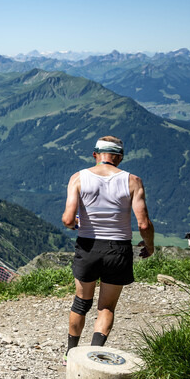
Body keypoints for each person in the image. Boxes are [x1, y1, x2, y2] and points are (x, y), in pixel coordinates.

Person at [61, 136, 154, 363]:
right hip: (118, 249)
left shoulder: (78, 178)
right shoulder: (133, 181)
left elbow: (67, 219)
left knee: (81, 303)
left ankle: (70, 354)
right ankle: (92, 358)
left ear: (95, 155)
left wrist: (75, 224)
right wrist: (149, 244)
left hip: (88, 246)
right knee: (106, 307)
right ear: (119, 157)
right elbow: (143, 224)